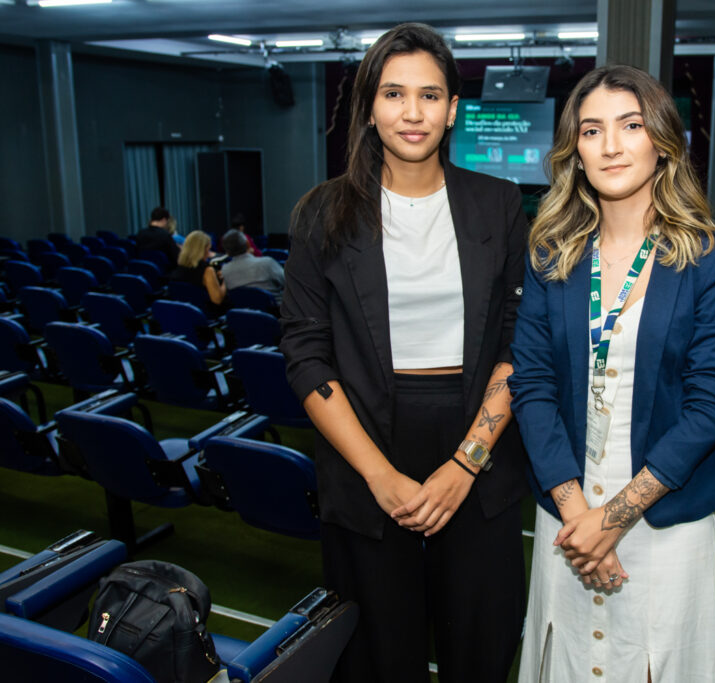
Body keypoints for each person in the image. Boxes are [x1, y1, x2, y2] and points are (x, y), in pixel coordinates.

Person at [279, 23, 528, 683]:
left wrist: (466, 463)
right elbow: (306, 354)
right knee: (378, 659)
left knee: (481, 647)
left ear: (452, 109)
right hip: (365, 448)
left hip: (478, 439)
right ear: (368, 106)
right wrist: (380, 476)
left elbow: (519, 343)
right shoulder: (321, 214)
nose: (412, 112)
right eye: (394, 93)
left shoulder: (498, 204)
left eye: (430, 95)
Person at [508, 65, 715, 682]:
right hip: (567, 513)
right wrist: (576, 514)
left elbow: (712, 403)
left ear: (662, 141)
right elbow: (531, 385)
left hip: (665, 518)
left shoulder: (711, 259)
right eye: (592, 130)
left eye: (630, 125)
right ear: (575, 152)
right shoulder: (550, 256)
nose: (611, 145)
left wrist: (612, 520)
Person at [219, 229, 285, 303]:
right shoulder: (267, 263)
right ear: (247, 243)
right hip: (278, 312)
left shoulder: (225, 270)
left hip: (243, 313)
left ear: (227, 251)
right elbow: (289, 284)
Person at [169, 231, 226, 307]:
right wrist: (226, 279)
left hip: (185, 312)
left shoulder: (179, 267)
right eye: (208, 250)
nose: (209, 254)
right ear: (202, 250)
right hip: (206, 313)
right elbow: (217, 300)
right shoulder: (207, 270)